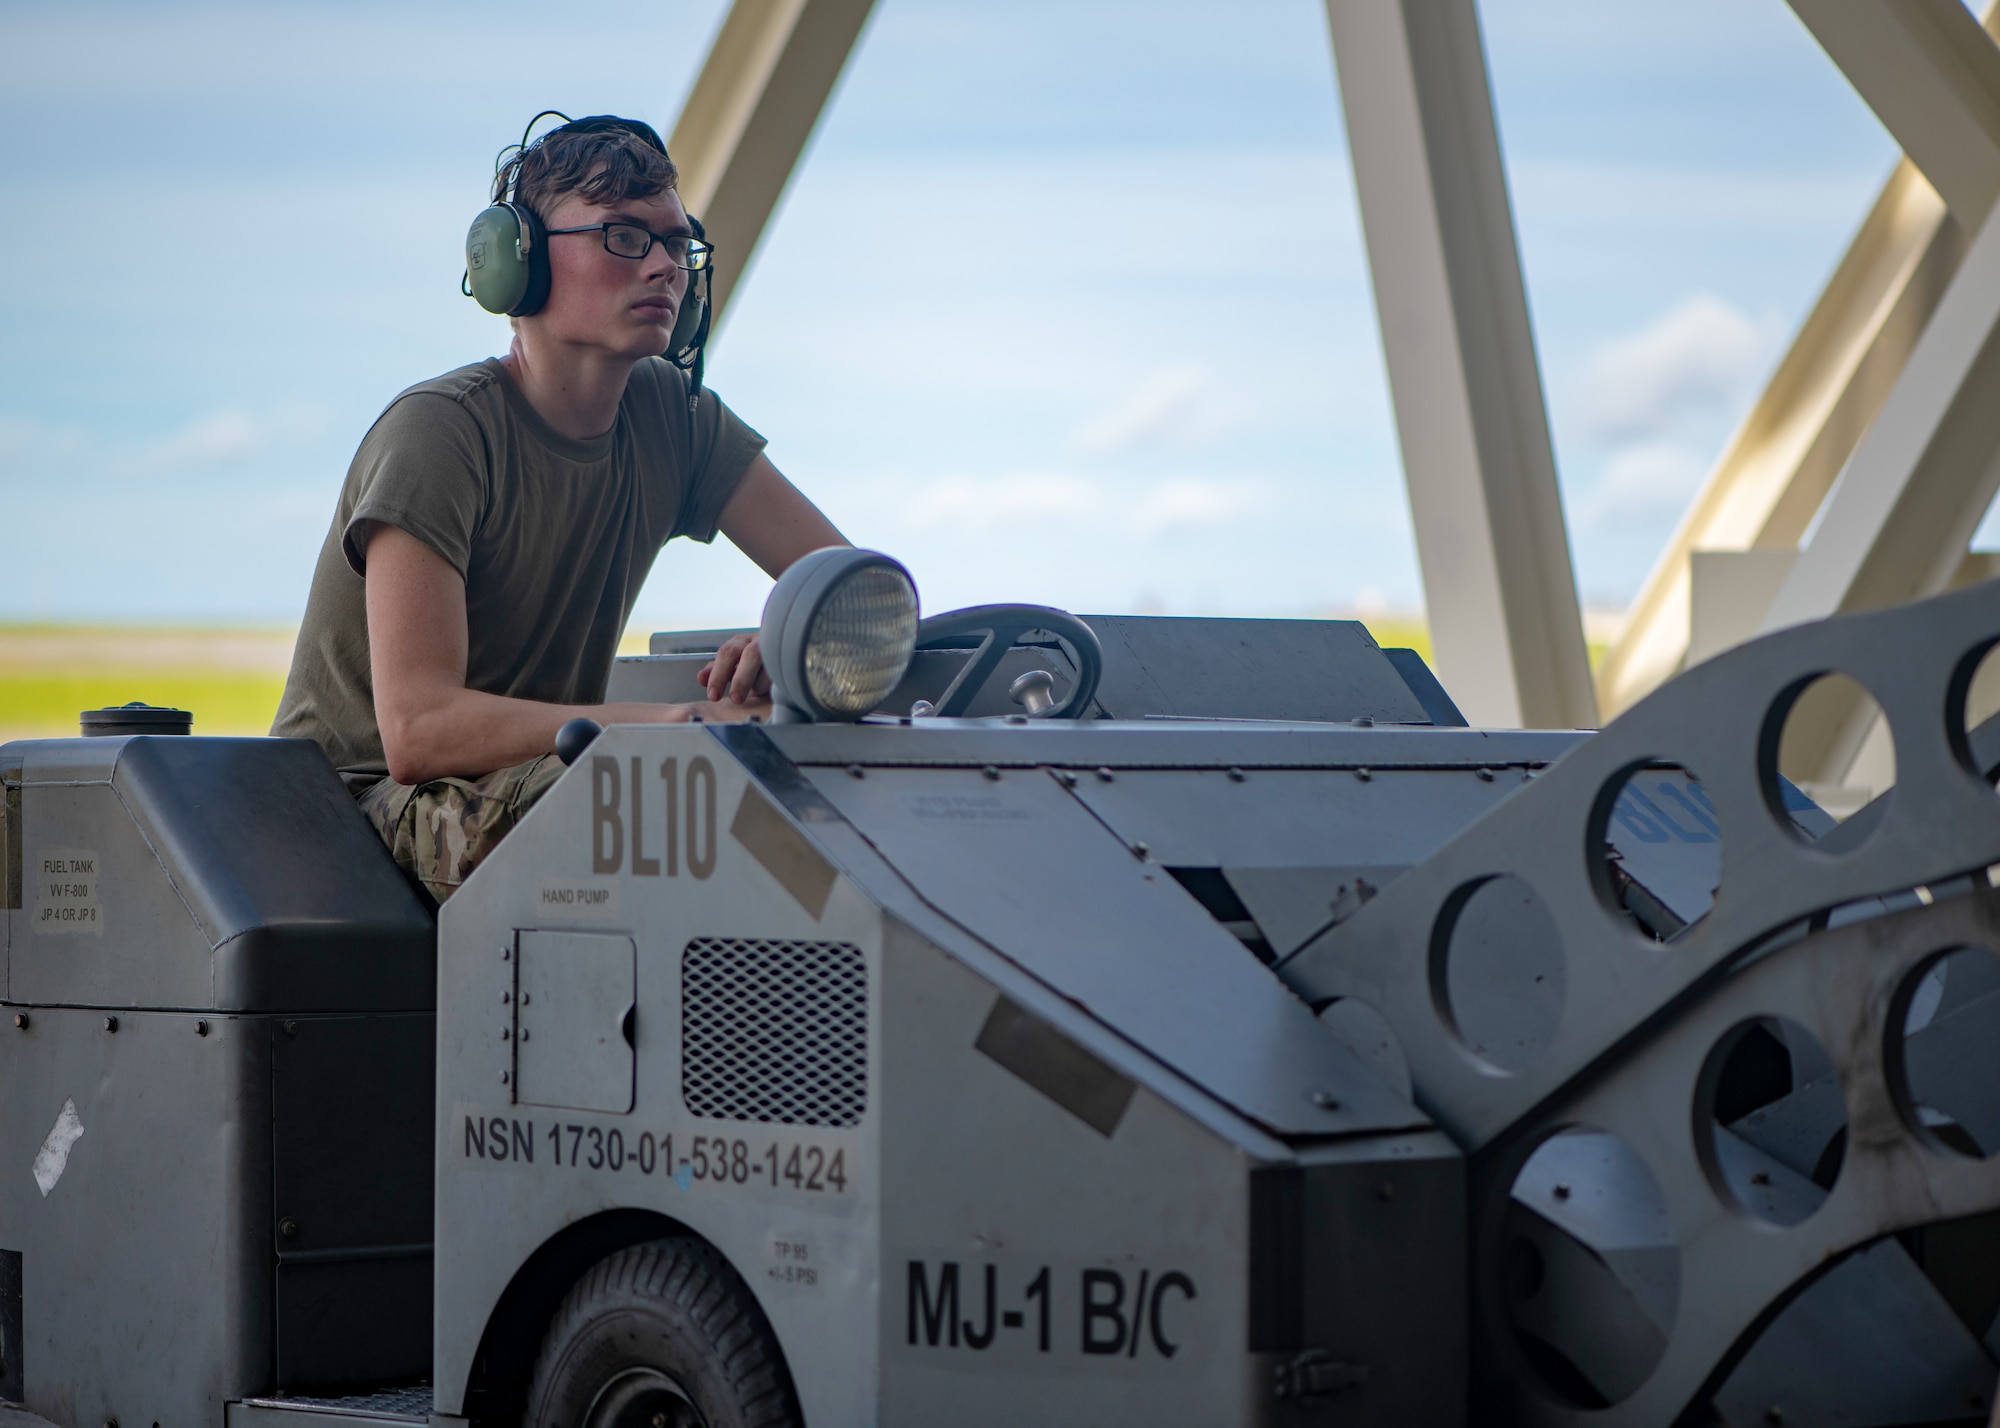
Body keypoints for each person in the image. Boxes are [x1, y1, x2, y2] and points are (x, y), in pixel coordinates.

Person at [272, 115, 846, 902]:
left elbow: (854, 588)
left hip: (535, 774)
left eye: (677, 244)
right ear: (521, 264)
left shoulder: (676, 418)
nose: (664, 267)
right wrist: (677, 727)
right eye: (622, 237)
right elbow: (420, 731)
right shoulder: (441, 434)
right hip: (357, 815)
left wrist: (792, 634)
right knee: (665, 796)